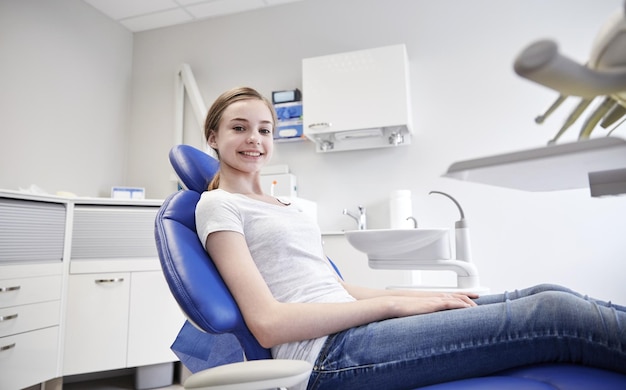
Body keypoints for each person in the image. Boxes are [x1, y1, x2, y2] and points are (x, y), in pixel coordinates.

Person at [195, 86, 626, 389]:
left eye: (265, 129)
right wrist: (393, 305)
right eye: (239, 128)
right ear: (213, 137)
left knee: (544, 291)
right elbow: (268, 325)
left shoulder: (287, 207)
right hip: (328, 358)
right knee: (553, 313)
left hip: (357, 330)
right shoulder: (218, 206)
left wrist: (416, 299)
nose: (254, 139)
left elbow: (336, 289)